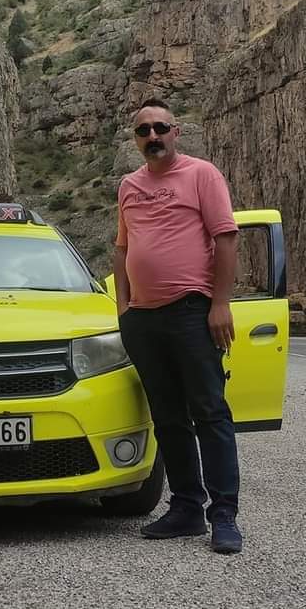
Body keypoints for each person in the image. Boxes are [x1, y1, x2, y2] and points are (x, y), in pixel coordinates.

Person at [113, 99, 243, 554]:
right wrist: (124, 310)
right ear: (136, 139)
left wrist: (220, 304)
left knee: (209, 411)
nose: (152, 136)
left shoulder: (202, 174)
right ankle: (186, 508)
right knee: (168, 417)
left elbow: (225, 237)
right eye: (143, 131)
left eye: (160, 128)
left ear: (176, 131)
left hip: (191, 311)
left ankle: (223, 515)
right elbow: (122, 249)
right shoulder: (129, 186)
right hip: (143, 320)